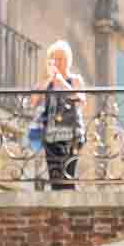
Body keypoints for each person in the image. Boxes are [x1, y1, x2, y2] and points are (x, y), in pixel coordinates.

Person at [31, 40, 86, 190]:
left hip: (71, 134)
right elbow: (34, 101)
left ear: (68, 61)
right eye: (55, 59)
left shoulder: (75, 79)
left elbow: (80, 100)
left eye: (62, 59)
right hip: (51, 134)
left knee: (68, 177)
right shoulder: (47, 82)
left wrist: (61, 82)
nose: (58, 62)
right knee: (55, 179)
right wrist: (49, 79)